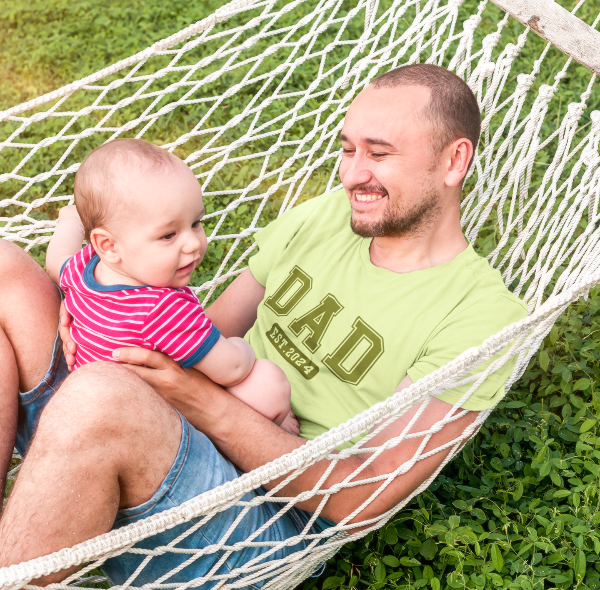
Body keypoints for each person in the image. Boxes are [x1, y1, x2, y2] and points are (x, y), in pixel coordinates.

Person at [0, 64, 527, 585]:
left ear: (454, 160)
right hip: (173, 430)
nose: (352, 174)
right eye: (347, 150)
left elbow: (362, 494)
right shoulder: (327, 216)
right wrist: (102, 295)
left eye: (379, 154)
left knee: (99, 393)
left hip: (267, 519)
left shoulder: (481, 315)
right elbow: (207, 327)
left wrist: (194, 398)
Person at [46, 139, 292, 427]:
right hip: (152, 425)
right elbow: (233, 369)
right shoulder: (161, 308)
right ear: (109, 244)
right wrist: (241, 346)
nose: (192, 244)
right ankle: (279, 425)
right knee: (267, 382)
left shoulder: (86, 267)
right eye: (168, 235)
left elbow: (56, 260)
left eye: (195, 223)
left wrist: (71, 220)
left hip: (88, 407)